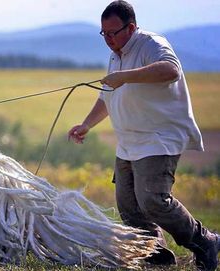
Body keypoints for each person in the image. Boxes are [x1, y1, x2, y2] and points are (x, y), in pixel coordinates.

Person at [67, 1, 219, 270]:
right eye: (104, 34)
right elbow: (108, 97)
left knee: (153, 200)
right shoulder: (116, 54)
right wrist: (87, 124)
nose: (108, 40)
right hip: (128, 142)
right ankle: (156, 253)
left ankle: (204, 241)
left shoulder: (152, 44)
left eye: (113, 33)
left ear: (132, 27)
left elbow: (171, 70)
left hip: (159, 138)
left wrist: (124, 76)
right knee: (128, 206)